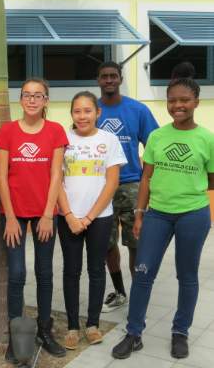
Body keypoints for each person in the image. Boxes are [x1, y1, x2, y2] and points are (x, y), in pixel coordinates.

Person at [112, 76, 214, 360]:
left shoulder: (207, 138)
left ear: (196, 102)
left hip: (193, 216)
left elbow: (212, 180)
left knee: (187, 276)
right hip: (157, 214)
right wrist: (140, 214)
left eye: (184, 100)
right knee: (143, 272)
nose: (178, 105)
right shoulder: (158, 136)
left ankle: (180, 332)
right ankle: (134, 333)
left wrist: (186, 192)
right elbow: (146, 178)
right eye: (172, 100)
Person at [0, 78, 68, 361]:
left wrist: (49, 214)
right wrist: (11, 217)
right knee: (16, 274)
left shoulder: (55, 131)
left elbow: (56, 176)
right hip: (13, 212)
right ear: (21, 99)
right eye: (27, 95)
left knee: (44, 273)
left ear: (46, 101)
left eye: (38, 95)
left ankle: (44, 330)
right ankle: (17, 335)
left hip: (44, 213)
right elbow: (2, 176)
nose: (32, 100)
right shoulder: (8, 132)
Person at [57, 91, 127, 350]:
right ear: (72, 114)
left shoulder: (109, 140)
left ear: (98, 113)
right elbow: (56, 181)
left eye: (88, 111)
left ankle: (93, 324)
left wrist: (88, 217)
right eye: (77, 111)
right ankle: (73, 326)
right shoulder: (62, 139)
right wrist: (69, 215)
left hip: (99, 218)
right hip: (68, 218)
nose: (82, 116)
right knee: (71, 271)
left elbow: (112, 182)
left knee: (96, 270)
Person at [97, 61, 159, 312]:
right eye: (104, 77)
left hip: (132, 185)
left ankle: (138, 293)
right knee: (107, 243)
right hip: (100, 187)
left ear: (120, 79)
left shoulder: (138, 110)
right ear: (98, 80)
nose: (109, 80)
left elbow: (154, 145)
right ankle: (119, 291)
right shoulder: (92, 110)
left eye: (113, 76)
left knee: (136, 242)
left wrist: (145, 177)